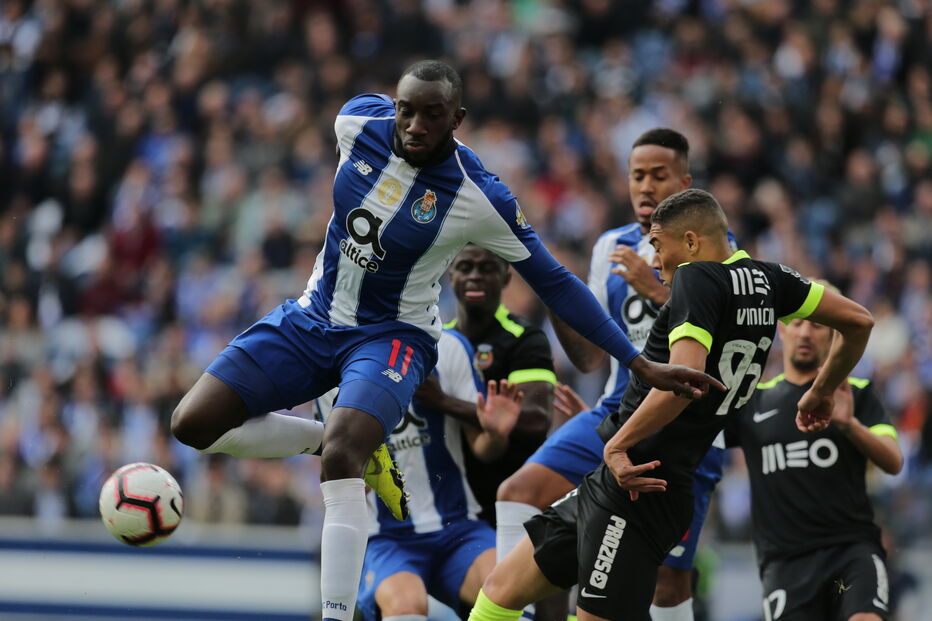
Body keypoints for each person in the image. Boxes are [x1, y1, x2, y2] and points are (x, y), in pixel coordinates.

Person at [169, 61, 719, 621]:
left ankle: (335, 613)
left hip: (390, 338)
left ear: (456, 119)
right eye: (406, 111)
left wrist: (636, 362)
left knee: (344, 453)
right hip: (311, 317)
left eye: (432, 116)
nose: (414, 126)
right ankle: (321, 439)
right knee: (192, 425)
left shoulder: (478, 195)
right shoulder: (356, 124)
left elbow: (554, 281)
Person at [467, 188, 874, 621]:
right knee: (498, 591)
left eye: (659, 246)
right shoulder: (770, 280)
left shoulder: (696, 278)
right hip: (626, 483)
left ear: (693, 242)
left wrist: (618, 443)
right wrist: (823, 389)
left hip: (641, 490)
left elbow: (684, 380)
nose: (656, 260)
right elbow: (858, 320)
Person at [494, 128, 730, 621]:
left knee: (669, 580)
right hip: (612, 415)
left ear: (685, 181)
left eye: (659, 176)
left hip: (686, 428)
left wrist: (655, 289)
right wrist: (554, 290)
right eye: (637, 175)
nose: (645, 186)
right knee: (519, 492)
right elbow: (588, 359)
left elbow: (728, 341)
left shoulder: (714, 246)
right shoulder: (610, 247)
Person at [317, 329, 524, 621]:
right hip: (387, 538)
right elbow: (333, 462)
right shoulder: (337, 361)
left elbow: (484, 448)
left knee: (512, 591)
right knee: (405, 607)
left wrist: (495, 433)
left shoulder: (450, 346)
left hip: (458, 527)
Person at [725, 282, 902, 621]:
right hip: (786, 565)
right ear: (781, 328)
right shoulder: (752, 402)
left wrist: (849, 425)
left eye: (817, 324)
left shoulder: (856, 392)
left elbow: (893, 461)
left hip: (848, 556)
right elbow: (697, 436)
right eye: (797, 322)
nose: (805, 332)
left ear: (834, 333)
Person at [442, 244, 556, 527]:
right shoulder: (438, 343)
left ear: (507, 277)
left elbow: (535, 421)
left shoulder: (524, 338)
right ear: (450, 275)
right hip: (449, 502)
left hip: (510, 500)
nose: (475, 276)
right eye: (465, 268)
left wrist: (444, 402)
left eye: (488, 268)